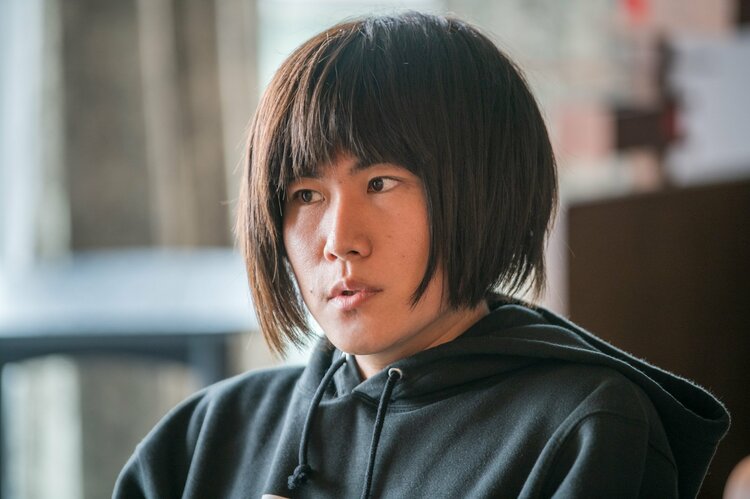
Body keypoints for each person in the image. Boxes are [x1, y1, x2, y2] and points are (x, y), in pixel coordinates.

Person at [113, 12, 729, 498]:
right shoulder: (204, 438)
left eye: (381, 183)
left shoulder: (586, 429)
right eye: (306, 195)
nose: (338, 239)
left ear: (483, 191)